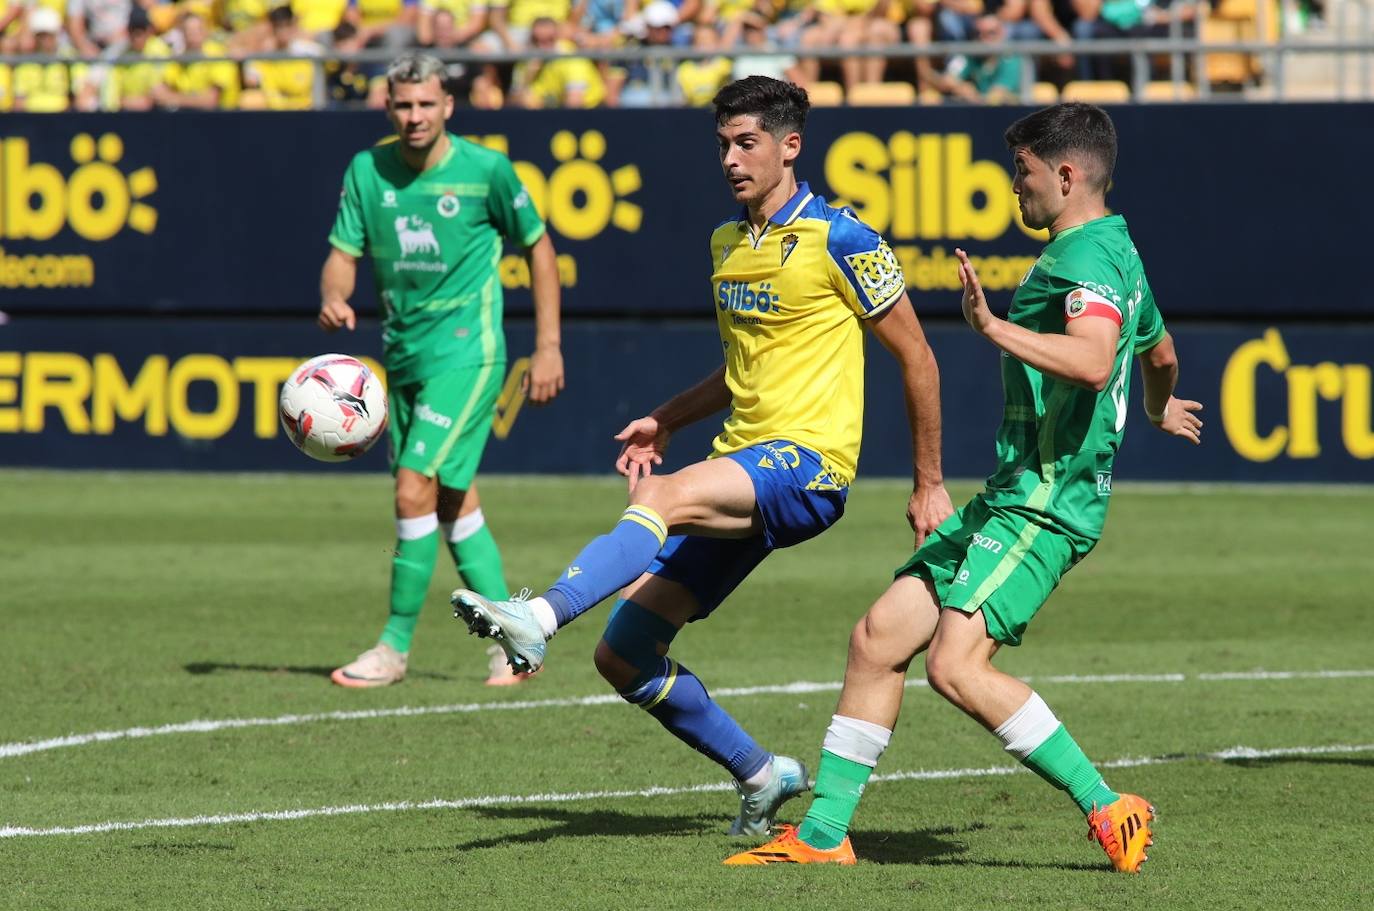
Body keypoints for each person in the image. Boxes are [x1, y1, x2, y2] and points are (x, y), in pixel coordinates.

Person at [453, 75, 951, 835]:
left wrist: (929, 483)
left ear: (791, 146)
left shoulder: (842, 237)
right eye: (722, 143)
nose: (730, 158)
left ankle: (539, 615)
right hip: (741, 464)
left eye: (746, 142)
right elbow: (741, 368)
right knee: (624, 653)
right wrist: (666, 418)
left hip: (808, 466)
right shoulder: (727, 241)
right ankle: (761, 772)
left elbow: (918, 356)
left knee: (658, 499)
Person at [724, 103, 1203, 872]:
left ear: (1066, 175)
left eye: (1023, 173)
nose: (1016, 188)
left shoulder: (1083, 259)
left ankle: (1110, 808)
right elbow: (1162, 348)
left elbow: (1089, 359)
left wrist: (992, 326)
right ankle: (821, 837)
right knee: (878, 639)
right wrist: (1157, 405)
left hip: (1045, 506)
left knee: (954, 665)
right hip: (1011, 496)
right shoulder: (1118, 246)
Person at [318, 53, 565, 688]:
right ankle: (519, 642)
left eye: (426, 104)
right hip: (403, 360)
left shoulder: (486, 170)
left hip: (469, 354)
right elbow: (343, 252)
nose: (415, 116)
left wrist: (549, 346)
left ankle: (393, 648)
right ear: (388, 106)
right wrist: (334, 297)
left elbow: (538, 246)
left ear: (448, 105)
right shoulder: (367, 169)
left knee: (411, 487)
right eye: (404, 105)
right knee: (452, 502)